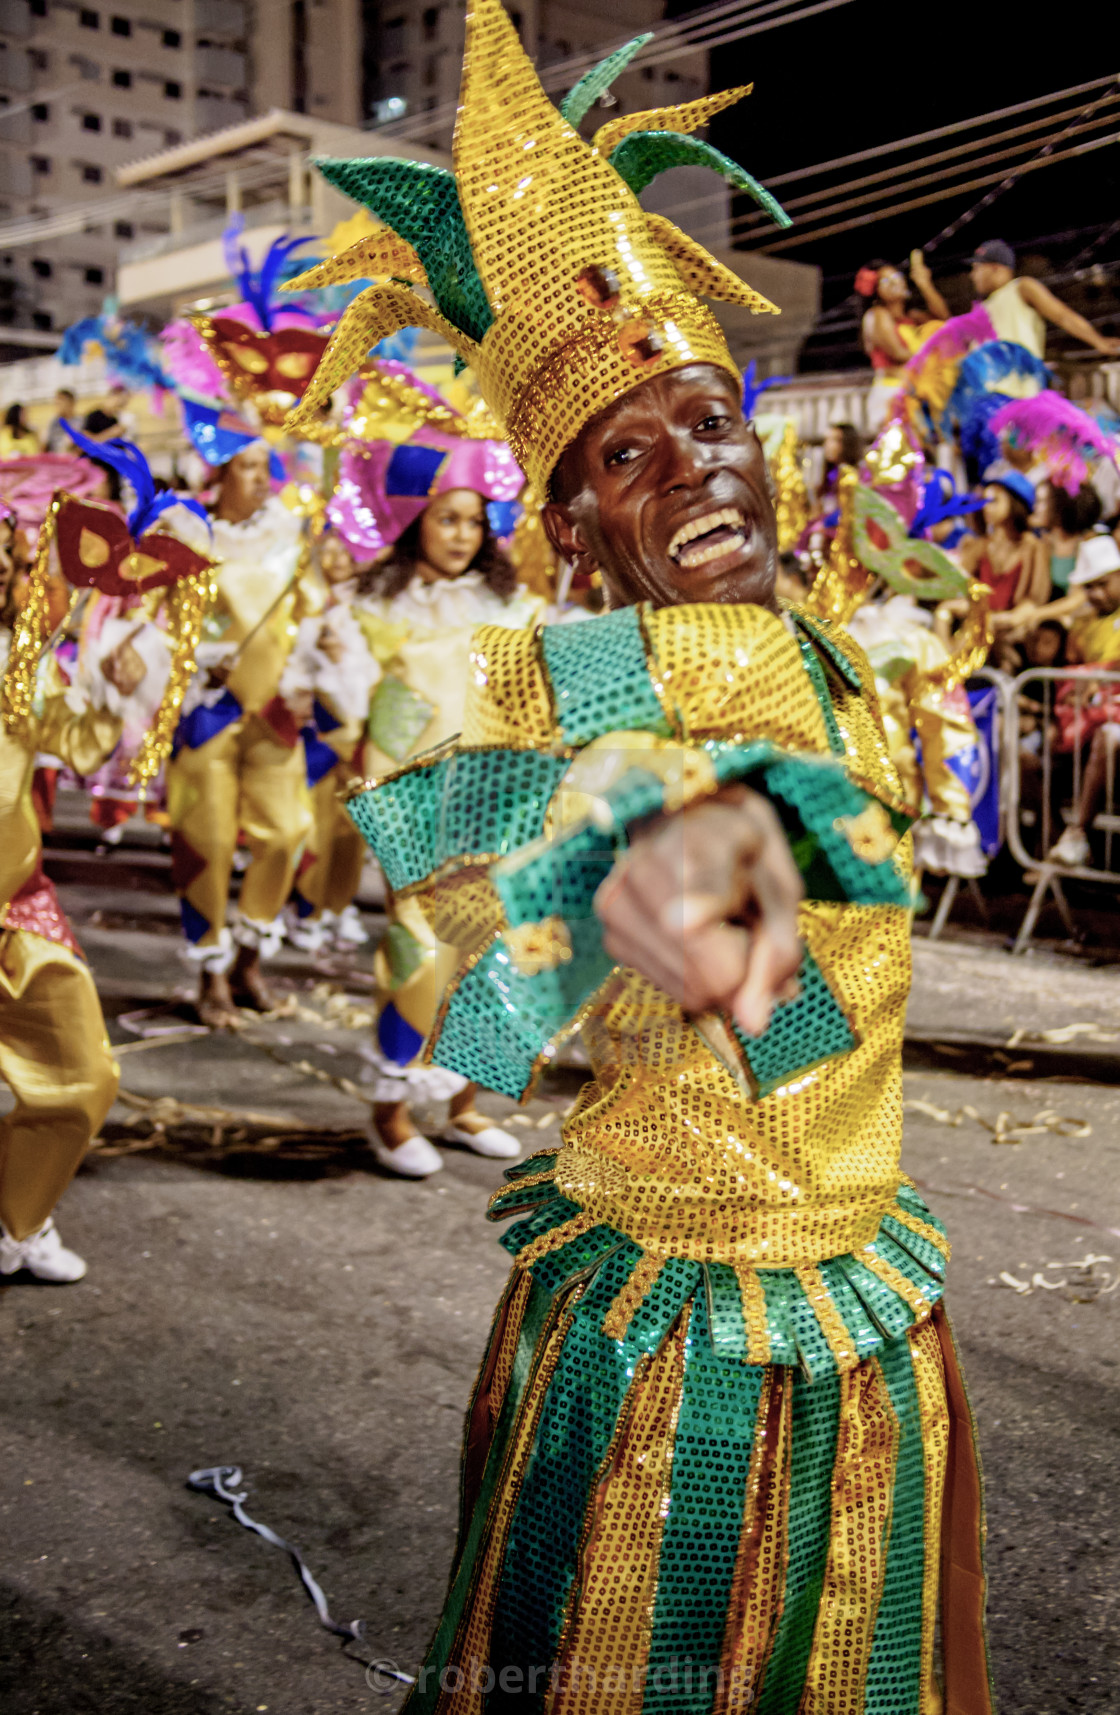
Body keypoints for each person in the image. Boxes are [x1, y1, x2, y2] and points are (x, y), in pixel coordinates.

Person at [293, 4, 994, 1707]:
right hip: (679, 1360)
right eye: (630, 451)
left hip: (861, 1296)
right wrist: (625, 860)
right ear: (577, 526)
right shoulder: (587, 702)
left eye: (711, 419)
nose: (697, 467)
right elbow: (702, 981)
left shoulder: (811, 649)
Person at [350, 439, 543, 1179]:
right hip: (412, 802)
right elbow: (358, 710)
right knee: (418, 953)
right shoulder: (374, 608)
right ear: (414, 523)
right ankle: (390, 1112)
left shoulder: (513, 604)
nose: (462, 533)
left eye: (473, 520)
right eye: (447, 518)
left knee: (488, 957)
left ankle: (463, 1103)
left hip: (498, 801)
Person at [0, 506, 160, 1281]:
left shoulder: (20, 661)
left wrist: (115, 684)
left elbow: (81, 739)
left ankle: (16, 1218)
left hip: (16, 914)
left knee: (84, 1075)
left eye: (6, 553)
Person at [166, 441, 316, 1027]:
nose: (261, 477)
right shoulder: (185, 535)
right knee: (205, 844)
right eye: (247, 466)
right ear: (220, 473)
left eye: (266, 466)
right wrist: (197, 659)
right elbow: (154, 618)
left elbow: (314, 611)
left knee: (287, 832)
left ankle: (249, 957)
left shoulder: (291, 536)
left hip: (274, 711)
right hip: (206, 711)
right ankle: (210, 973)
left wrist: (316, 668)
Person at [282, 527, 381, 953]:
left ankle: (339, 904)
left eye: (348, 546)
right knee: (315, 827)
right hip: (318, 731)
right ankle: (305, 908)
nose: (338, 556)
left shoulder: (375, 605)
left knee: (351, 832)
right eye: (330, 546)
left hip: (363, 732)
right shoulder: (302, 600)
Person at [1048, 535, 1120, 867]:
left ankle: (1077, 835)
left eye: (1102, 584)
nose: (1095, 594)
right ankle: (1048, 848)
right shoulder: (1083, 625)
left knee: (1110, 736)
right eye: (1088, 587)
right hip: (1085, 725)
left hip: (1107, 727)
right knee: (1027, 753)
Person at [969, 238, 1120, 362]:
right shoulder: (983, 306)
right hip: (985, 392)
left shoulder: (1022, 287)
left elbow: (1062, 315)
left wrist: (1098, 341)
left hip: (1018, 392)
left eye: (977, 268)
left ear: (996, 268)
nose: (972, 275)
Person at [857, 253, 949, 429]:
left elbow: (943, 321)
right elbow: (899, 353)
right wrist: (935, 360)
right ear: (876, 291)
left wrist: (924, 283)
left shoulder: (912, 318)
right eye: (885, 281)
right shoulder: (876, 315)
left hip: (915, 393)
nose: (894, 282)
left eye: (896, 277)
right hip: (891, 393)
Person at [44, 388, 77, 454]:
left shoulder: (80, 422)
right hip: (53, 460)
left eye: (61, 401)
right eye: (56, 402)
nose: (57, 404)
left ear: (71, 403)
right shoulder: (53, 422)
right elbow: (44, 445)